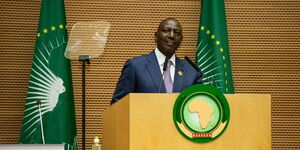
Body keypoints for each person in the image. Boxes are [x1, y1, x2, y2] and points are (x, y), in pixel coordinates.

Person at [111, 17, 203, 105]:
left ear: (181, 39)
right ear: (156, 36)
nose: (171, 35)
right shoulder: (135, 66)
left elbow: (198, 107)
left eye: (177, 32)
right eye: (166, 31)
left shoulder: (192, 72)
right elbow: (118, 106)